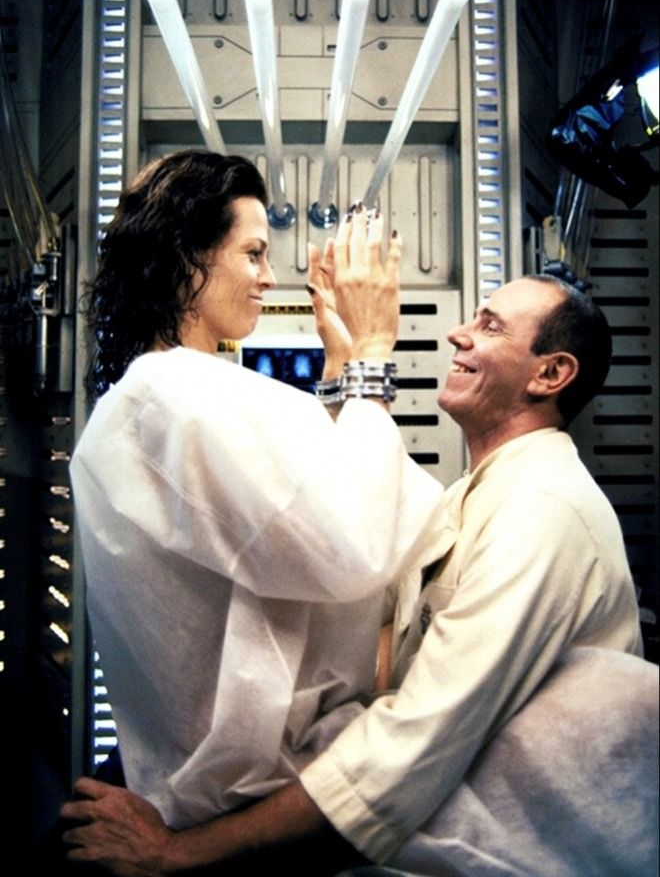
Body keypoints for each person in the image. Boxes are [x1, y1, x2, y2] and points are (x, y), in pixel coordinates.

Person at [61, 273, 646, 876]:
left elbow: (416, 741)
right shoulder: (471, 498)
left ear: (551, 374)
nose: (458, 334)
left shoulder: (542, 510)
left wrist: (178, 852)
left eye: (490, 327)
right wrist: (344, 370)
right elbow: (343, 555)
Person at [60, 149, 447, 847]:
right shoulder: (176, 395)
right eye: (254, 253)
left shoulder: (162, 394)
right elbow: (353, 547)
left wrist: (340, 369)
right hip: (246, 785)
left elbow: (286, 513)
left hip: (220, 775)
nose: (270, 277)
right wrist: (371, 353)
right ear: (188, 257)